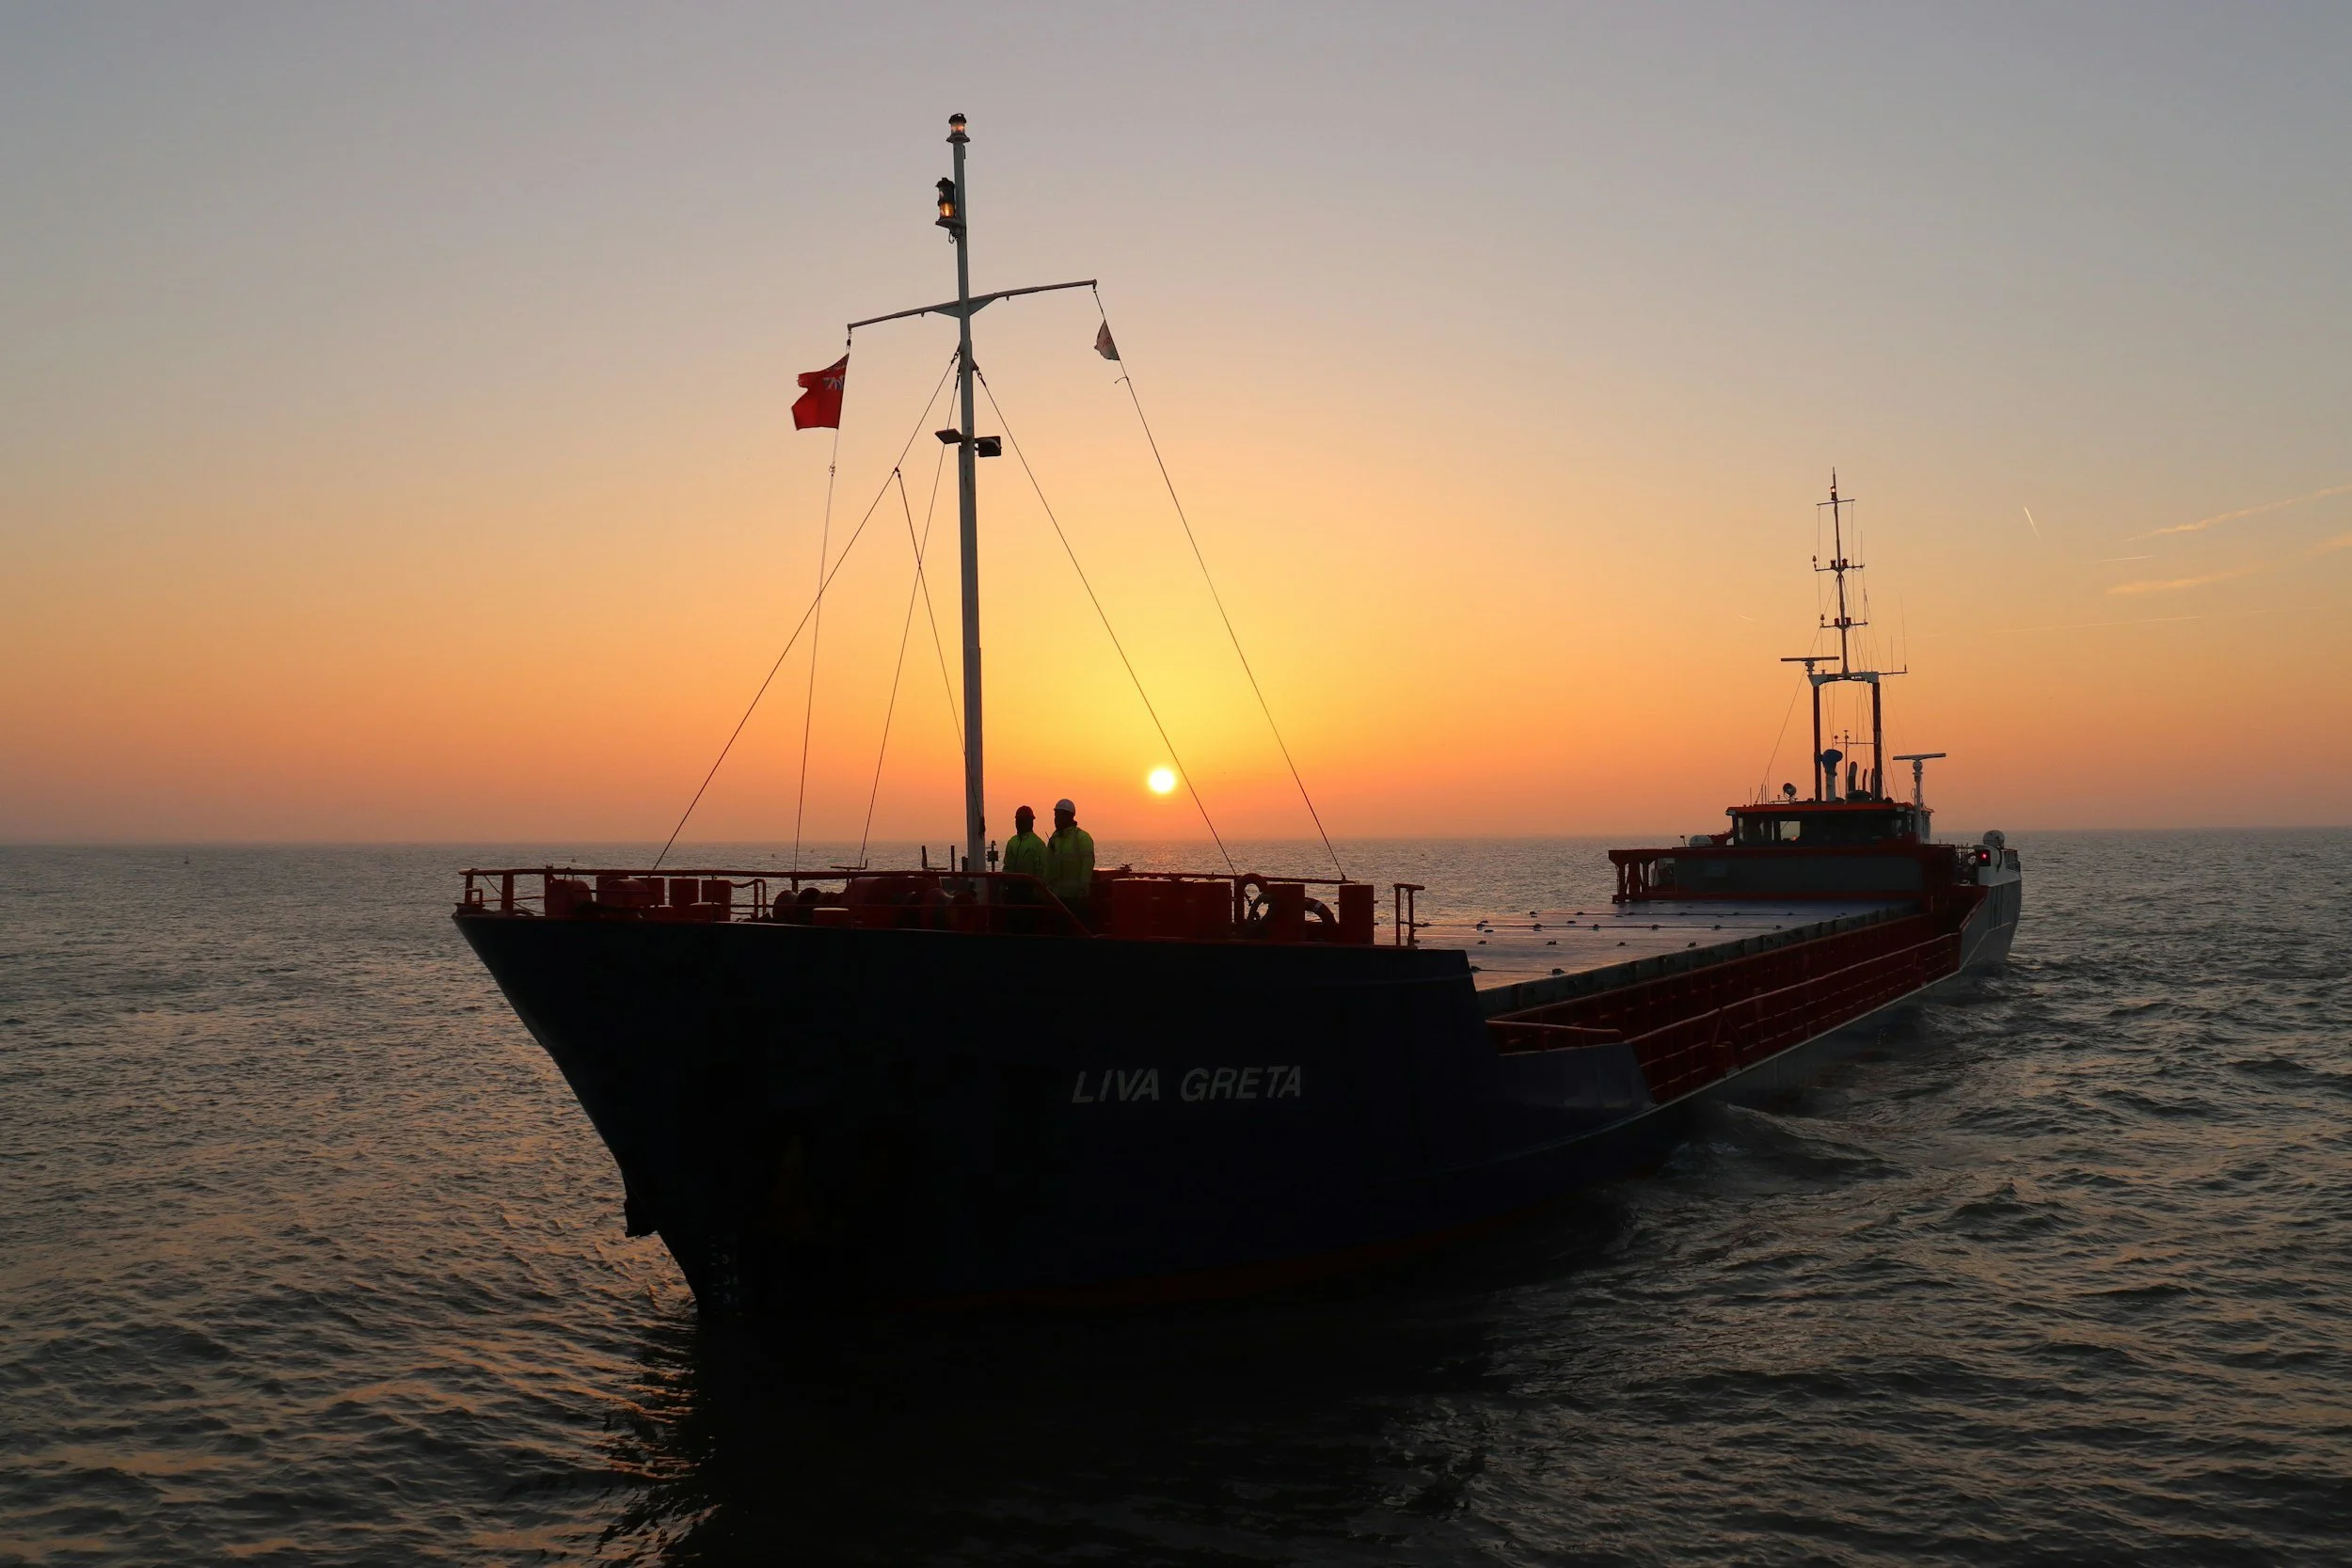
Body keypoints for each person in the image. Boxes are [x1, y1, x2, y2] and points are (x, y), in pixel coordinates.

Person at [1044, 798, 1096, 926]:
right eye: (1055, 815)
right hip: (1057, 898)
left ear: (1069, 816)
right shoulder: (1054, 839)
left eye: (1059, 815)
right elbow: (1048, 865)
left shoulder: (1082, 837)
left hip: (1076, 899)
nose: (1055, 819)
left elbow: (1087, 864)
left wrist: (1082, 890)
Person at [1002, 805, 1047, 882]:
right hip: (1011, 889)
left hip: (1030, 890)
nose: (1020, 823)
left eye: (1022, 820)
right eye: (1018, 820)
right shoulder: (1012, 842)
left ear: (1030, 822)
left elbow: (1042, 872)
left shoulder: (1038, 844)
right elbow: (1006, 867)